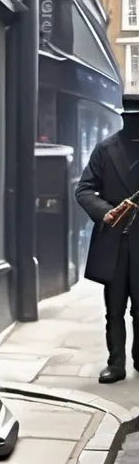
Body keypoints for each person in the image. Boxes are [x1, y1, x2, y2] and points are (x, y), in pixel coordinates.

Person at [75, 93, 139, 383]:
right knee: (113, 308)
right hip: (114, 241)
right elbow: (84, 189)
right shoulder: (105, 149)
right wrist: (106, 212)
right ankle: (116, 362)